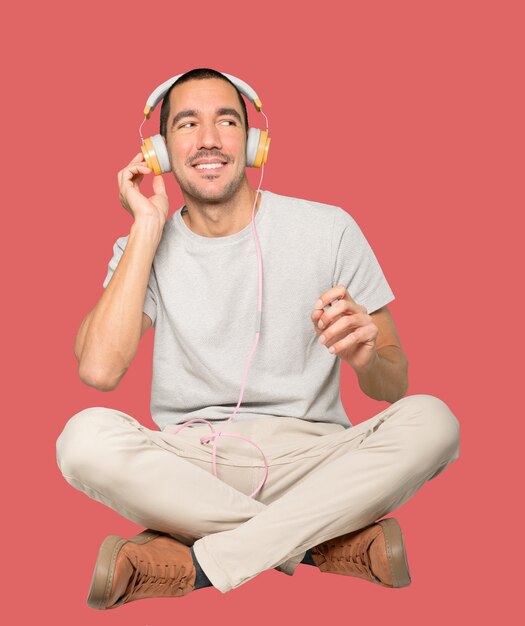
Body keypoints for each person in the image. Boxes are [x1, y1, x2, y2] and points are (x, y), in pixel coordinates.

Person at [56, 68, 460, 610]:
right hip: (191, 463)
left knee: (434, 420)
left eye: (226, 121)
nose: (207, 140)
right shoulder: (141, 246)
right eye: (186, 124)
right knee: (81, 440)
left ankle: (199, 563)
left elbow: (394, 381)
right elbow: (99, 371)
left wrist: (368, 357)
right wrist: (146, 229)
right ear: (159, 150)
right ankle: (319, 545)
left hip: (316, 458)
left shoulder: (329, 228)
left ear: (251, 143)